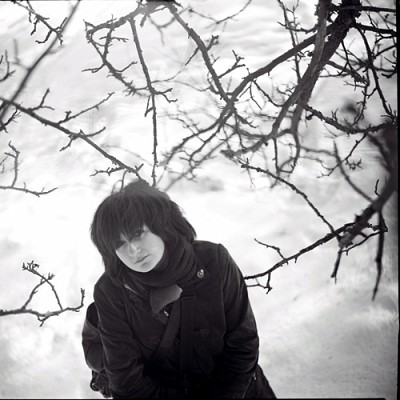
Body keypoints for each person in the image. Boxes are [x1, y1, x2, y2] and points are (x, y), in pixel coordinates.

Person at [85, 179, 276, 399]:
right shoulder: (111, 292)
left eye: (137, 234)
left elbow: (243, 345)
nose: (133, 250)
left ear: (161, 227)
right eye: (120, 244)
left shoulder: (214, 261)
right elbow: (126, 379)